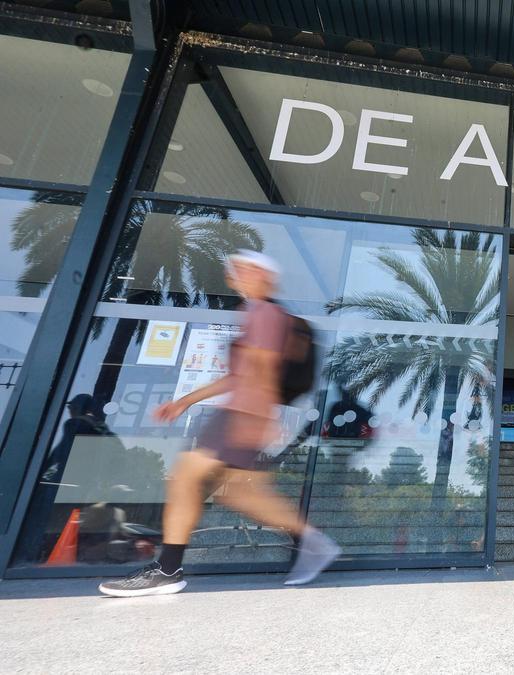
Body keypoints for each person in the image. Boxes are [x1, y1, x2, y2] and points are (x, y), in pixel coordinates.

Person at [99, 250, 340, 597]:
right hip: (245, 410)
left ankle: (168, 569)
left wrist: (258, 417)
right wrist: (185, 400)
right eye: (236, 269)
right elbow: (239, 375)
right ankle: (312, 541)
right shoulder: (255, 313)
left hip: (242, 414)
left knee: (186, 477)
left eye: (248, 269)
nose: (239, 274)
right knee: (243, 492)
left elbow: (263, 365)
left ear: (265, 277)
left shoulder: (266, 314)